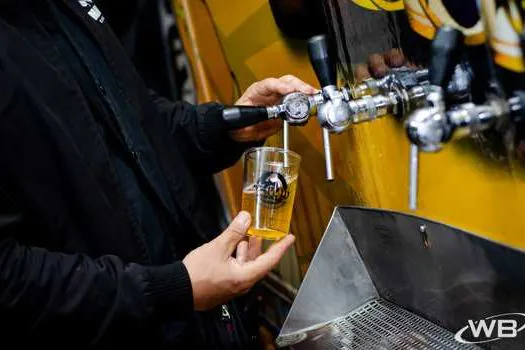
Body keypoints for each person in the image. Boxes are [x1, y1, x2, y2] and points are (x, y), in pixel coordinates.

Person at [0, 0, 317, 348]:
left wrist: (226, 125)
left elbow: (129, 119)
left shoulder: (56, 9)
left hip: (202, 325)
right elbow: (11, 278)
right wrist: (174, 288)